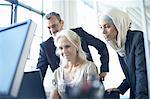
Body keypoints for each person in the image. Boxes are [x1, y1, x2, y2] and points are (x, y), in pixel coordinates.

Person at [36, 12, 109, 81]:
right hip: (65, 90)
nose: (52, 30)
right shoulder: (45, 47)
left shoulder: (79, 33)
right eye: (49, 28)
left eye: (54, 26)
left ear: (62, 23)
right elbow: (39, 74)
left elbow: (101, 46)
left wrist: (104, 69)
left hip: (90, 82)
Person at [99, 8, 148, 99]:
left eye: (107, 26)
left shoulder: (137, 38)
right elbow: (131, 73)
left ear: (118, 25)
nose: (103, 32)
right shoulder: (120, 45)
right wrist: (120, 89)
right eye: (101, 27)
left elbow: (141, 72)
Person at [50, 29, 104, 99]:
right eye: (61, 48)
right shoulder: (57, 73)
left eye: (67, 46)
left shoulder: (89, 67)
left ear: (77, 45)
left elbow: (92, 96)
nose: (64, 51)